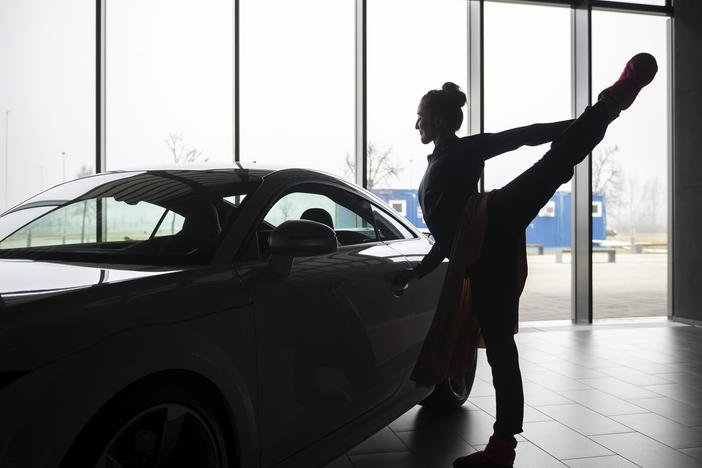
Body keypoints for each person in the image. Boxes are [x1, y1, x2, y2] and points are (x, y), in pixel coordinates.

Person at [394, 53, 658, 468]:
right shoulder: (436, 165)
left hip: (492, 218)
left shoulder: (464, 151)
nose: (416, 125)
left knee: (554, 161)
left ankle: (609, 105)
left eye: (421, 117)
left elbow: (526, 134)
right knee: (500, 349)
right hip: (482, 261)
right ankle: (502, 448)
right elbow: (447, 240)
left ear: (440, 121)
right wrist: (417, 271)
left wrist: (582, 123)